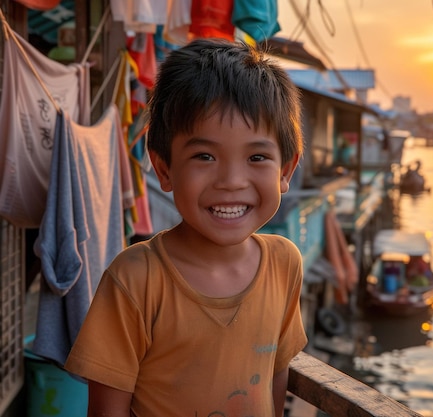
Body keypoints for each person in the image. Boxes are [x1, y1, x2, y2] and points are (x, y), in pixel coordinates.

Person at [64, 38, 307, 417]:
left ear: (285, 171)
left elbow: (276, 374)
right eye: (204, 156)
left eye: (257, 156)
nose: (231, 180)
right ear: (164, 169)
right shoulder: (135, 280)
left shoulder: (284, 264)